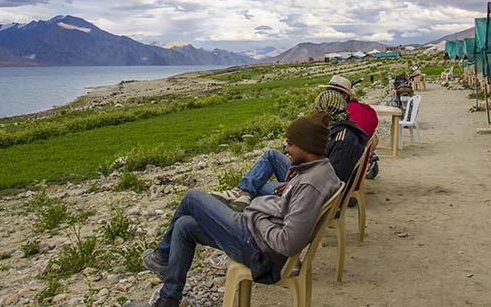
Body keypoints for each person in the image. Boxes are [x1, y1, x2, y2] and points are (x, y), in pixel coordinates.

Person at [138, 111, 340, 307]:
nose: (286, 148)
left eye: (291, 143)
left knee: (192, 197)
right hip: (258, 237)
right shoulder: (322, 170)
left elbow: (288, 243)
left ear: (308, 146)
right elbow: (303, 201)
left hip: (258, 248)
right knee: (184, 226)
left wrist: (258, 216)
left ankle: (162, 258)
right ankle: (168, 298)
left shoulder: (310, 185)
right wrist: (292, 187)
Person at [210, 74, 366, 211]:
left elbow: (329, 180)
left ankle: (241, 208)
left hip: (311, 193)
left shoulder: (343, 138)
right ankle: (241, 192)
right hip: (307, 179)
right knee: (271, 155)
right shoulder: (337, 127)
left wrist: (296, 181)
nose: (314, 113)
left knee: (259, 187)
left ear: (327, 110)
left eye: (318, 110)